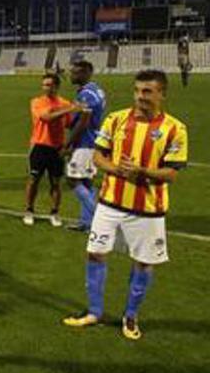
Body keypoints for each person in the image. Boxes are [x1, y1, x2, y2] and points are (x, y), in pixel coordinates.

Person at [63, 70, 187, 341]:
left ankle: (130, 316)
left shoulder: (175, 129)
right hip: (110, 204)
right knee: (95, 253)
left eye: (147, 92)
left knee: (143, 263)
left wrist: (142, 171)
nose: (140, 97)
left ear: (161, 94)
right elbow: (98, 156)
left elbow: (172, 173)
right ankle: (94, 312)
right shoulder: (116, 120)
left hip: (148, 210)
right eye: (138, 90)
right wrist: (118, 171)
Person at [24, 73, 81, 227]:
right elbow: (46, 118)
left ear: (56, 86)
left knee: (56, 183)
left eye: (49, 85)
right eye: (44, 85)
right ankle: (29, 210)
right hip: (39, 146)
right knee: (33, 180)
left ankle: (54, 213)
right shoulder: (37, 102)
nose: (46, 88)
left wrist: (81, 113)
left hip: (57, 148)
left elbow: (69, 125)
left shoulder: (64, 103)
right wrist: (70, 108)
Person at [66, 61, 106, 232]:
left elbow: (83, 122)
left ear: (85, 73)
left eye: (75, 73)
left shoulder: (87, 94)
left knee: (73, 180)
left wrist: (68, 144)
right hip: (93, 141)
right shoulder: (97, 90)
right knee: (87, 182)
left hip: (84, 143)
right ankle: (86, 222)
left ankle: (99, 220)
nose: (71, 75)